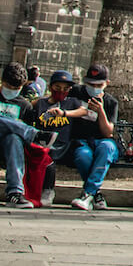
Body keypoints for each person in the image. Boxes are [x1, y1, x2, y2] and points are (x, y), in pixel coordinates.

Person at [67, 63, 118, 212]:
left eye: (99, 84)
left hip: (102, 141)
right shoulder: (76, 93)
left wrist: (101, 111)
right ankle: (95, 194)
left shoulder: (111, 102)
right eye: (90, 84)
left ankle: (87, 193)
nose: (94, 87)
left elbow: (108, 132)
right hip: (81, 141)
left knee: (106, 147)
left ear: (106, 84)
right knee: (84, 156)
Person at [30, 69, 84, 206]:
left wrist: (65, 113)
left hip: (63, 145)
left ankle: (48, 190)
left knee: (50, 155)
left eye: (66, 88)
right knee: (42, 153)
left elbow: (85, 111)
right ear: (50, 87)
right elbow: (28, 109)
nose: (61, 91)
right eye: (57, 88)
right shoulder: (41, 103)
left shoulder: (72, 102)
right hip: (44, 143)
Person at [0, 62, 37, 208]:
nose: (12, 91)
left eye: (17, 88)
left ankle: (15, 193)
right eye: (9, 87)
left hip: (8, 148)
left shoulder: (24, 105)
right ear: (3, 82)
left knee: (14, 138)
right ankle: (34, 134)